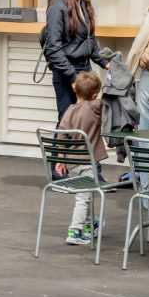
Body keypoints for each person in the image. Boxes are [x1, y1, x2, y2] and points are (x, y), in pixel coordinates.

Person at [41, 0, 112, 119]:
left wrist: (105, 63)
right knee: (68, 120)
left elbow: (89, 40)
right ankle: (59, 144)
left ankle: (84, 145)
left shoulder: (83, 3)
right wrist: (73, 77)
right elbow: (54, 48)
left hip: (84, 69)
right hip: (66, 73)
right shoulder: (57, 7)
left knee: (86, 119)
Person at [55, 69, 106, 246]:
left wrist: (61, 159)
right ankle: (74, 230)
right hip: (87, 162)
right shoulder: (95, 107)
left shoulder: (69, 110)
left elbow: (61, 135)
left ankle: (88, 224)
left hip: (71, 163)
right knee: (83, 197)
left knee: (86, 194)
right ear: (95, 94)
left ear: (73, 88)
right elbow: (109, 101)